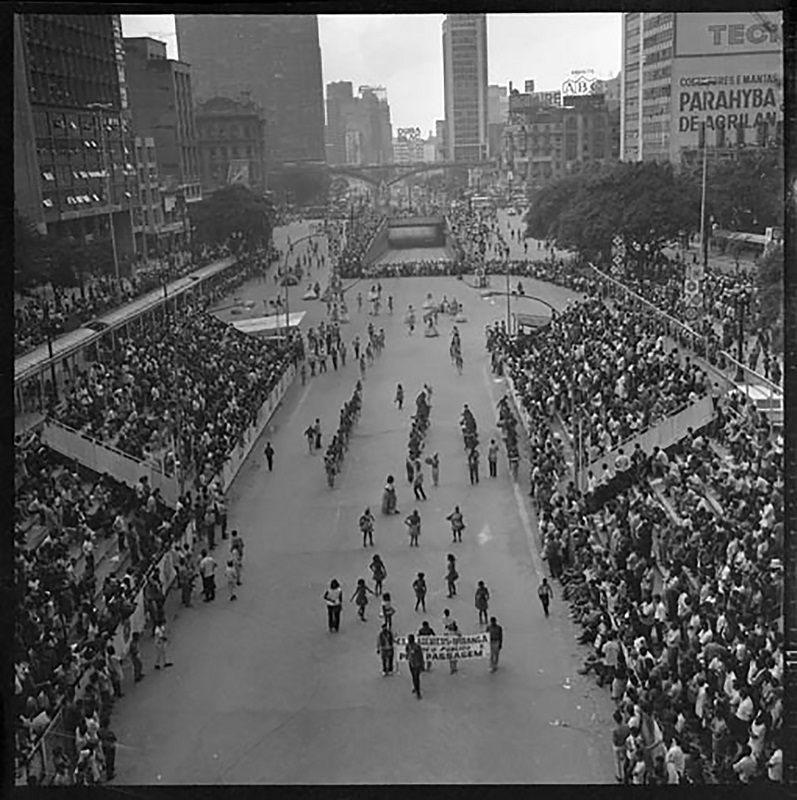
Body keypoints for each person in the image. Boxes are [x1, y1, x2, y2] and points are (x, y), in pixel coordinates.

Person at [612, 709, 631, 783]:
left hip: (617, 746)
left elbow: (614, 740)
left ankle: (619, 776)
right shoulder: (626, 727)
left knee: (617, 761)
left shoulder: (615, 730)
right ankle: (625, 772)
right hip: (624, 744)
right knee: (625, 758)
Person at [405, 633, 424, 698]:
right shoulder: (408, 646)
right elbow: (407, 652)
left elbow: (421, 656)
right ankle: (415, 687)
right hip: (411, 663)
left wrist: (422, 665)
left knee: (416, 678)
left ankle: (418, 692)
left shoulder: (417, 647)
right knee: (413, 677)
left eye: (410, 639)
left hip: (417, 664)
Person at [442, 610, 460, 674]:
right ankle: (452, 668)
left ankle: (454, 667)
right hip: (450, 645)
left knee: (455, 657)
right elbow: (444, 637)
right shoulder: (447, 631)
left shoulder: (456, 630)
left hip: (455, 645)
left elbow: (460, 635)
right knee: (451, 657)